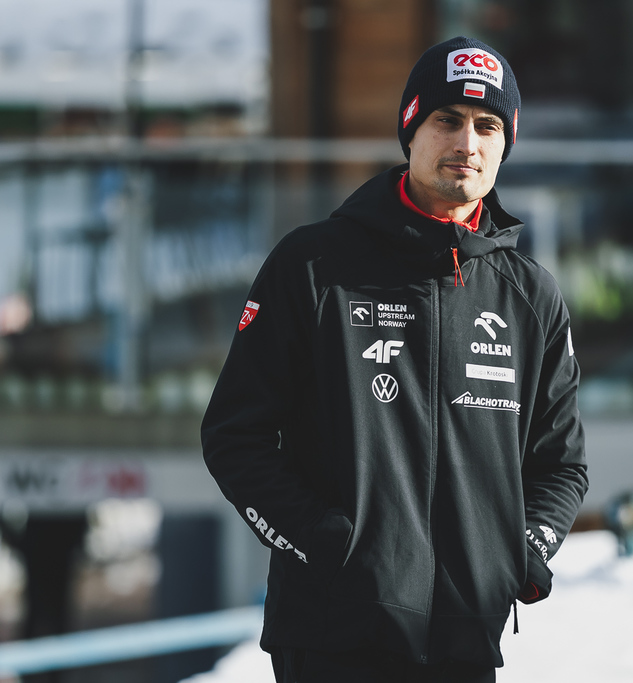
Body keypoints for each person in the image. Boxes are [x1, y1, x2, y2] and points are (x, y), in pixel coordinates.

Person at [201, 36, 588, 683]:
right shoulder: (312, 265)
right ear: (411, 128)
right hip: (332, 635)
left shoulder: (530, 296)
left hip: (466, 639)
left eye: (487, 126)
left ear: (506, 143)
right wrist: (321, 540)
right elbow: (234, 436)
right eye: (448, 119)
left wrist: (521, 551)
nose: (467, 142)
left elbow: (561, 463)